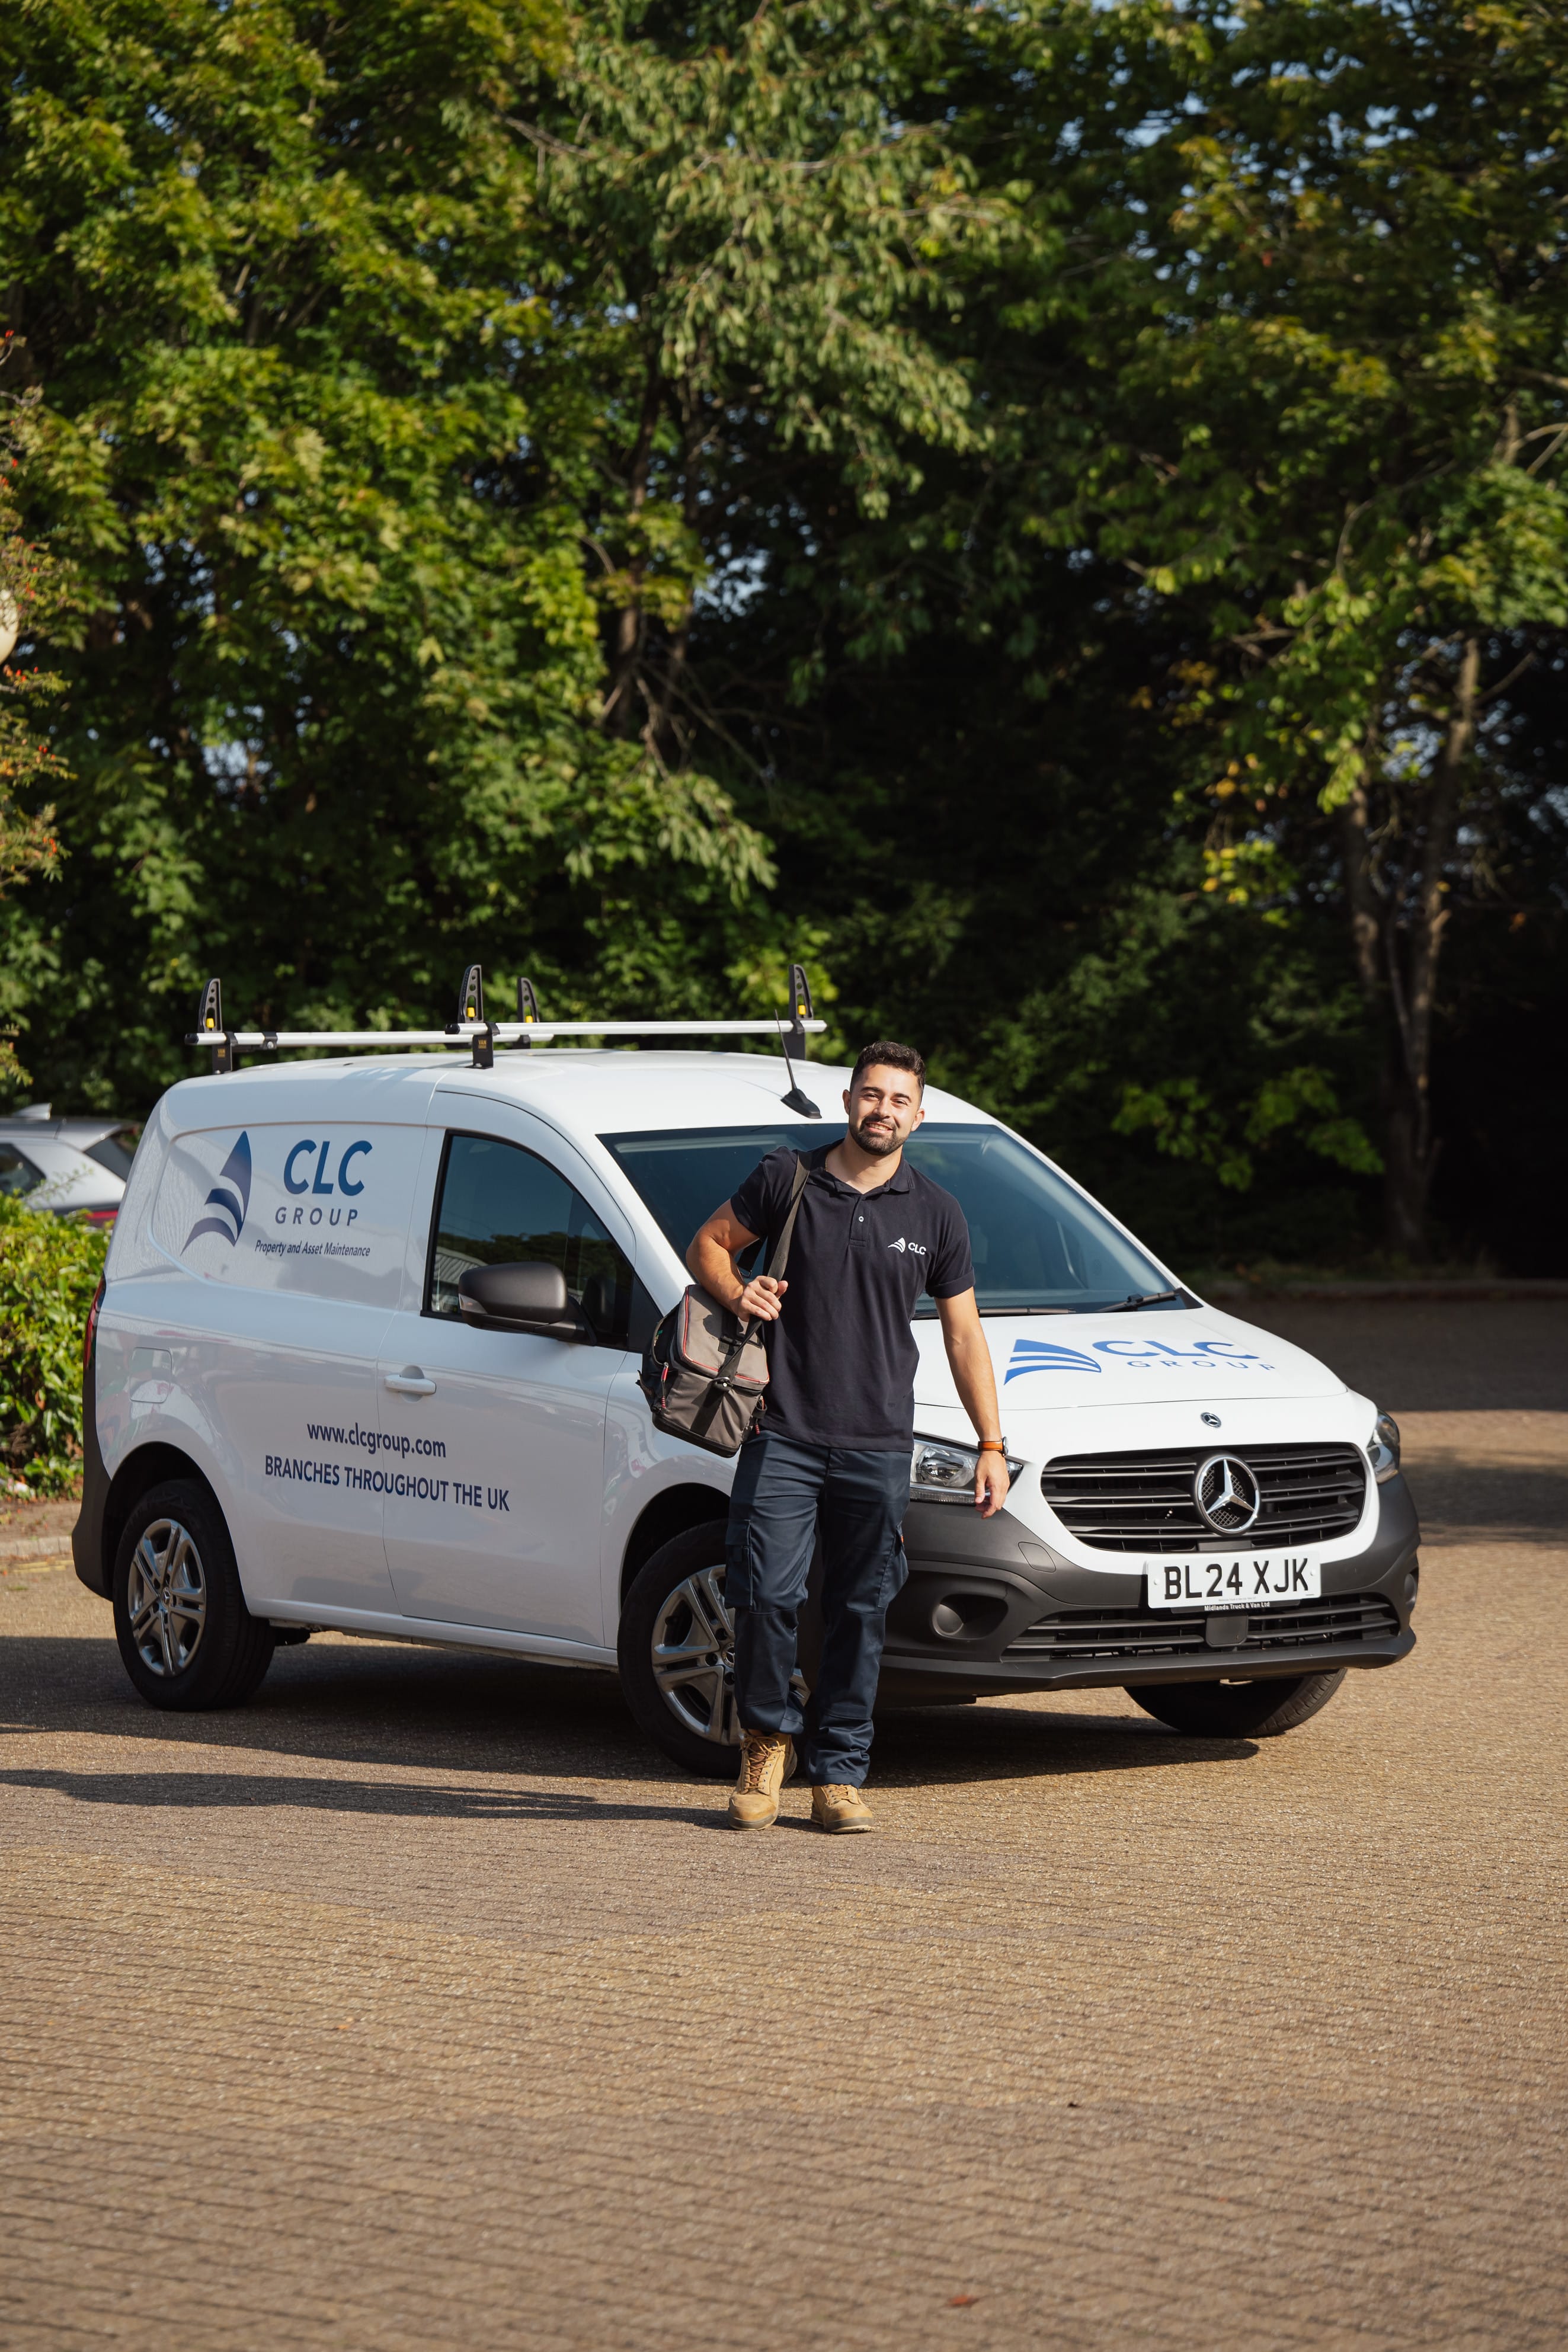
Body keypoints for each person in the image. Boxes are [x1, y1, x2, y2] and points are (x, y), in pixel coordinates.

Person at [686, 1041, 1010, 1833]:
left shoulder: (935, 1210)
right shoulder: (787, 1178)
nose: (882, 1110)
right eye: (871, 1094)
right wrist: (738, 1293)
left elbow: (964, 1336)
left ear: (918, 1115)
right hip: (782, 1429)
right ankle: (766, 1742)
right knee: (764, 1596)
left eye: (898, 1100)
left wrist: (991, 1445)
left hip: (877, 1442)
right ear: (847, 1100)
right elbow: (708, 1246)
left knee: (861, 1607)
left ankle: (839, 1771)